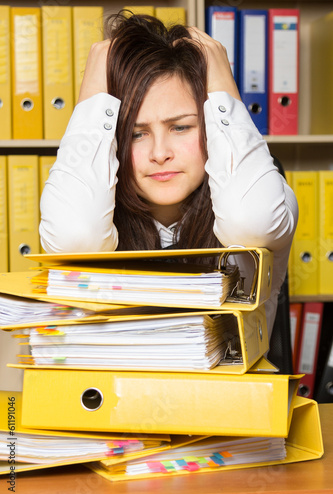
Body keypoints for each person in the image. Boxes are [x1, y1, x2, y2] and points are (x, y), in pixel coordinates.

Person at [39, 12, 298, 337]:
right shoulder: (84, 199)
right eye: (137, 134)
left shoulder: (264, 192)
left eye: (181, 127)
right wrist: (93, 94)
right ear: (113, 141)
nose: (160, 153)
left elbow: (251, 221)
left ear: (211, 129)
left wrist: (222, 84)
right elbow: (74, 237)